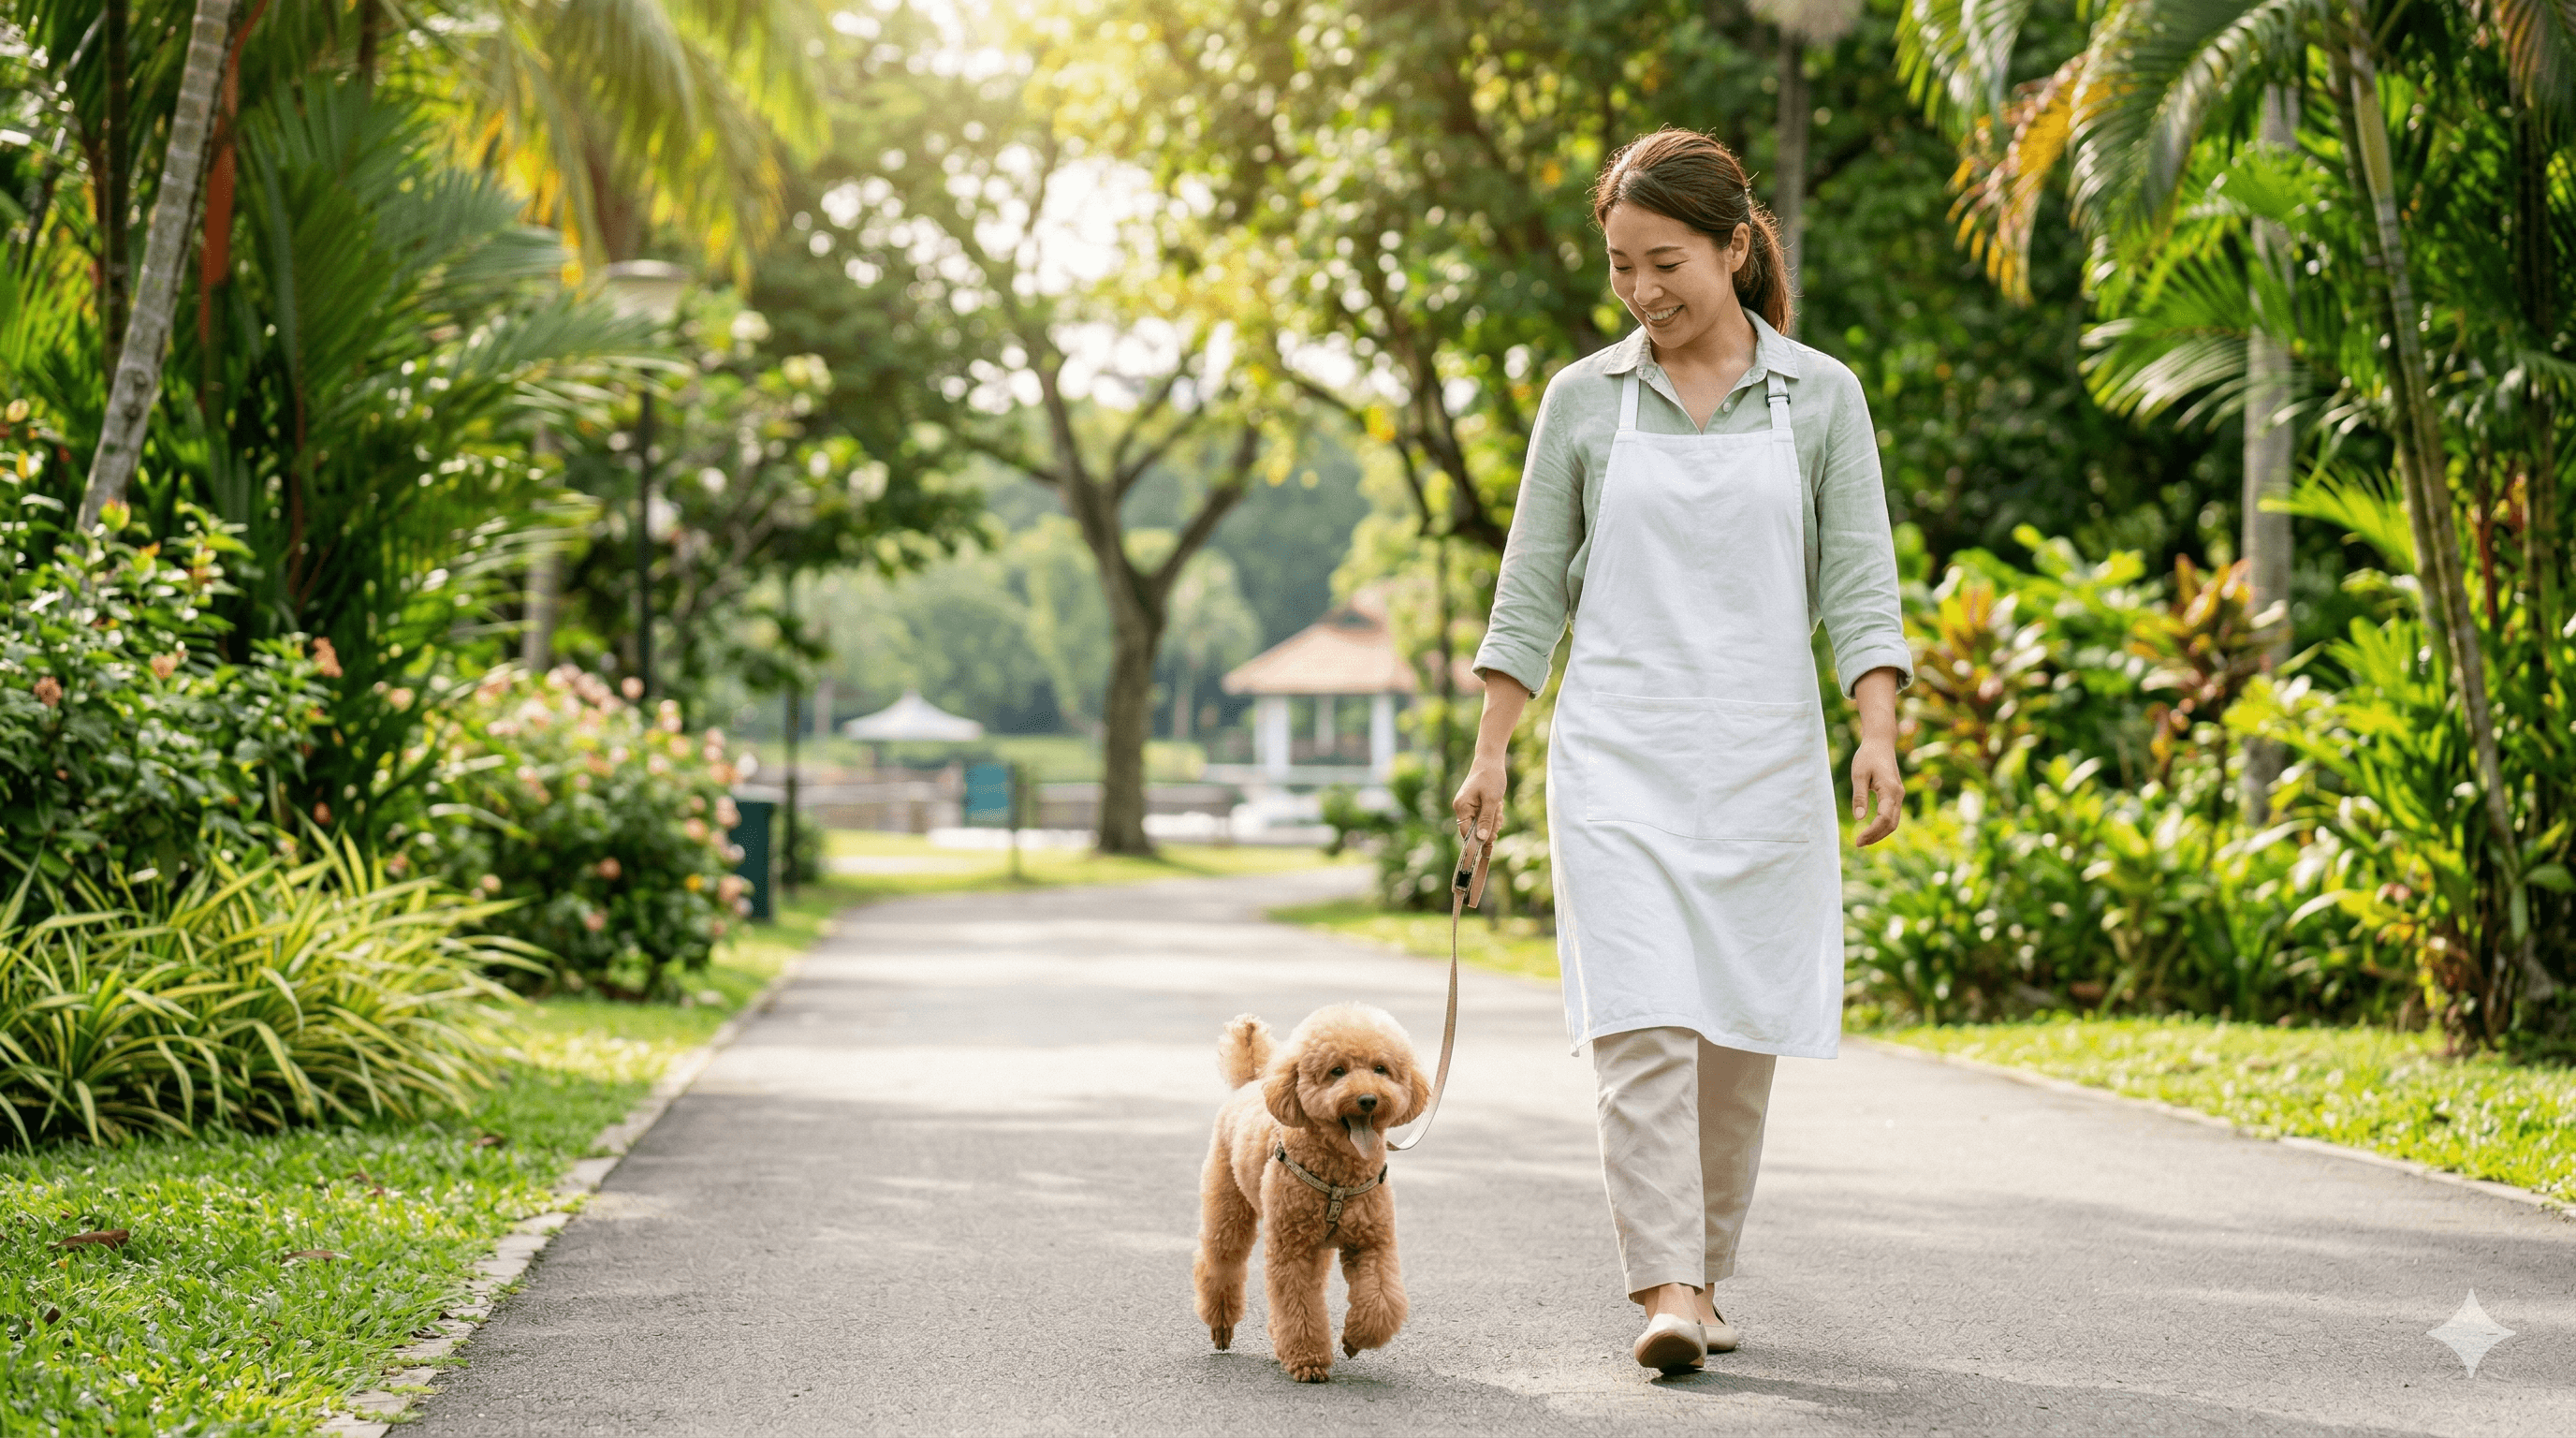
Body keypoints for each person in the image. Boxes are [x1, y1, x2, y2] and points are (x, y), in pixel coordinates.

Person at [1452, 127, 1911, 1375]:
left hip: (1761, 758)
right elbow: (1531, 588)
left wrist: (1875, 730)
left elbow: (1860, 579)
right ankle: (1662, 1285)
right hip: (1616, 758)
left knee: (1736, 1037)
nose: (1644, 291)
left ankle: (1704, 1281)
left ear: (1734, 244)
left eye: (1665, 262)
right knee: (1643, 1023)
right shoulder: (1583, 402)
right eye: (1619, 267)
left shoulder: (1820, 397)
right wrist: (1491, 756)